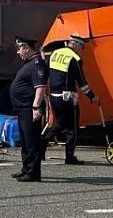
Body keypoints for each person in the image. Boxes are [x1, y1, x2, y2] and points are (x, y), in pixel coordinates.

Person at [42, 33, 100, 165]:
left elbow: (46, 73)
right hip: (68, 97)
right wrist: (92, 97)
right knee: (71, 127)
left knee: (61, 123)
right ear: (76, 44)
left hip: (54, 96)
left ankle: (42, 146)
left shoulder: (54, 54)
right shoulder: (74, 58)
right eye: (81, 47)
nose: (81, 50)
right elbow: (82, 82)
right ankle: (68, 156)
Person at [8, 34, 48, 182]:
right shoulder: (29, 64)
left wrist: (36, 107)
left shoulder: (37, 64)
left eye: (19, 48)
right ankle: (26, 168)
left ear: (26, 48)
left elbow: (40, 88)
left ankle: (33, 173)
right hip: (22, 108)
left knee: (31, 141)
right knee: (25, 140)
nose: (18, 52)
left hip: (29, 108)